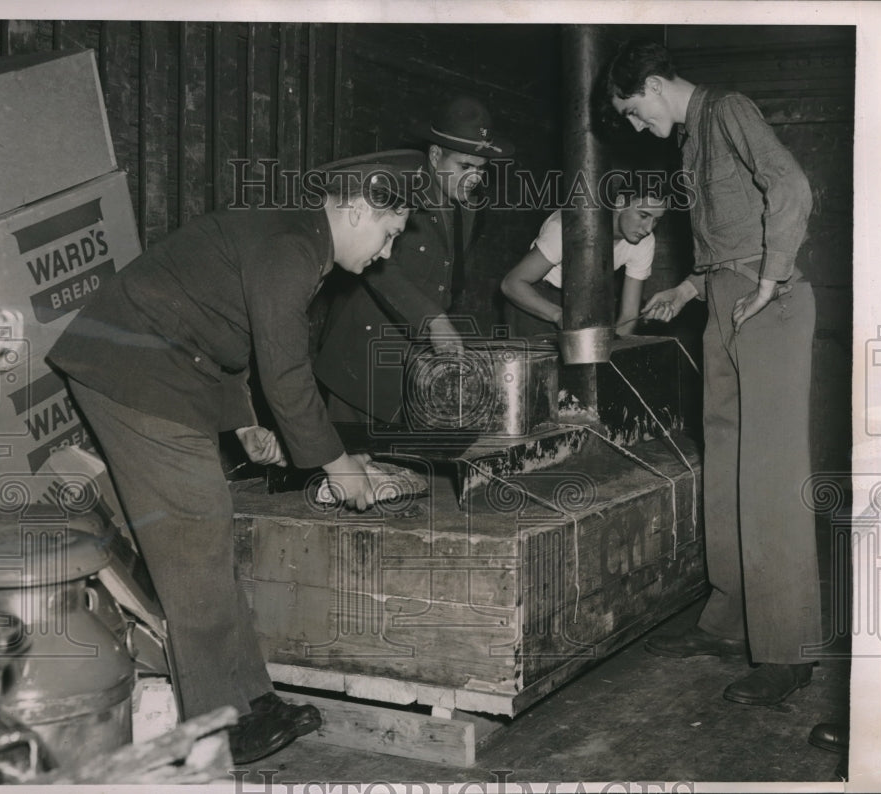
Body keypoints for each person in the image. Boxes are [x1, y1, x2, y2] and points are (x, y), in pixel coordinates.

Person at [47, 151, 420, 764]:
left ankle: (251, 699)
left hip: (166, 365)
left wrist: (243, 422)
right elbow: (286, 367)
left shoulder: (298, 238)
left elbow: (228, 328)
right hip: (131, 368)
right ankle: (215, 725)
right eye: (389, 235)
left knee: (209, 531)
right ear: (356, 208)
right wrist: (339, 465)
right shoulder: (293, 247)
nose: (386, 254)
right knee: (192, 538)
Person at [606, 40, 821, 706]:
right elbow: (733, 230)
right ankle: (729, 621)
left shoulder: (727, 109)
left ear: (654, 82)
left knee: (771, 477)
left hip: (769, 304)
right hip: (727, 300)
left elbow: (791, 189)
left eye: (633, 111)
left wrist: (771, 278)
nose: (637, 128)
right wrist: (691, 290)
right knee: (725, 462)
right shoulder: (692, 138)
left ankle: (789, 650)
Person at [314, 96, 514, 425]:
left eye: (481, 169)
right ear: (435, 156)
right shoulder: (399, 188)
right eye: (465, 167)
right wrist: (432, 319)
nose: (474, 178)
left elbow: (445, 275)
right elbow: (379, 269)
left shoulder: (471, 206)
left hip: (413, 359)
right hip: (362, 354)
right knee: (350, 464)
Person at [500, 191, 666, 333]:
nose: (648, 228)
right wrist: (559, 315)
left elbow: (629, 316)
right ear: (621, 202)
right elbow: (511, 283)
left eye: (657, 220)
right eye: (643, 215)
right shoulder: (567, 227)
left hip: (584, 299)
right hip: (536, 299)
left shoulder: (644, 241)